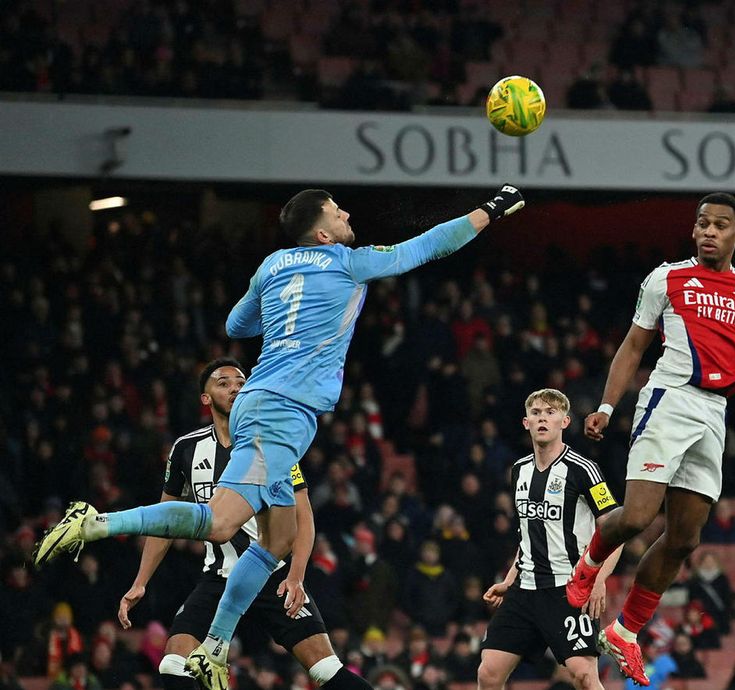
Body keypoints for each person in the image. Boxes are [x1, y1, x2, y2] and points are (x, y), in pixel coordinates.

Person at [34, 184, 527, 690]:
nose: (347, 214)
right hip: (281, 411)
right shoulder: (346, 262)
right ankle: (97, 523)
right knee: (223, 524)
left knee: (280, 539)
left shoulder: (271, 265)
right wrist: (490, 210)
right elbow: (428, 246)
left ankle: (216, 648)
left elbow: (236, 322)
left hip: (265, 401)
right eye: (338, 211)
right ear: (322, 232)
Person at [565, 193, 735, 685]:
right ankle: (587, 567)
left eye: (719, 225)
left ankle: (626, 633)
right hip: (669, 399)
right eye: (702, 224)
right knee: (636, 516)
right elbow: (634, 345)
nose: (708, 232)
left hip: (714, 412)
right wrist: (608, 406)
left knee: (685, 538)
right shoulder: (666, 277)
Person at [116, 359, 370, 690]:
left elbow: (304, 519)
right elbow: (165, 521)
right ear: (205, 398)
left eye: (240, 382)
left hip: (273, 577)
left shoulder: (273, 445)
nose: (235, 387)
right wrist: (140, 581)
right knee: (173, 663)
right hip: (218, 579)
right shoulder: (185, 450)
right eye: (223, 383)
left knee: (325, 670)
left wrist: (296, 577)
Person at [478, 388, 622, 690]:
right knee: (488, 674)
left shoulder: (584, 470)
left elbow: (616, 532)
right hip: (525, 591)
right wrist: (508, 581)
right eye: (536, 413)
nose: (543, 418)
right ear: (526, 423)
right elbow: (527, 538)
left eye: (550, 413)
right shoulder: (518, 471)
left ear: (565, 422)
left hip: (568, 590)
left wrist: (598, 580)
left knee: (584, 675)